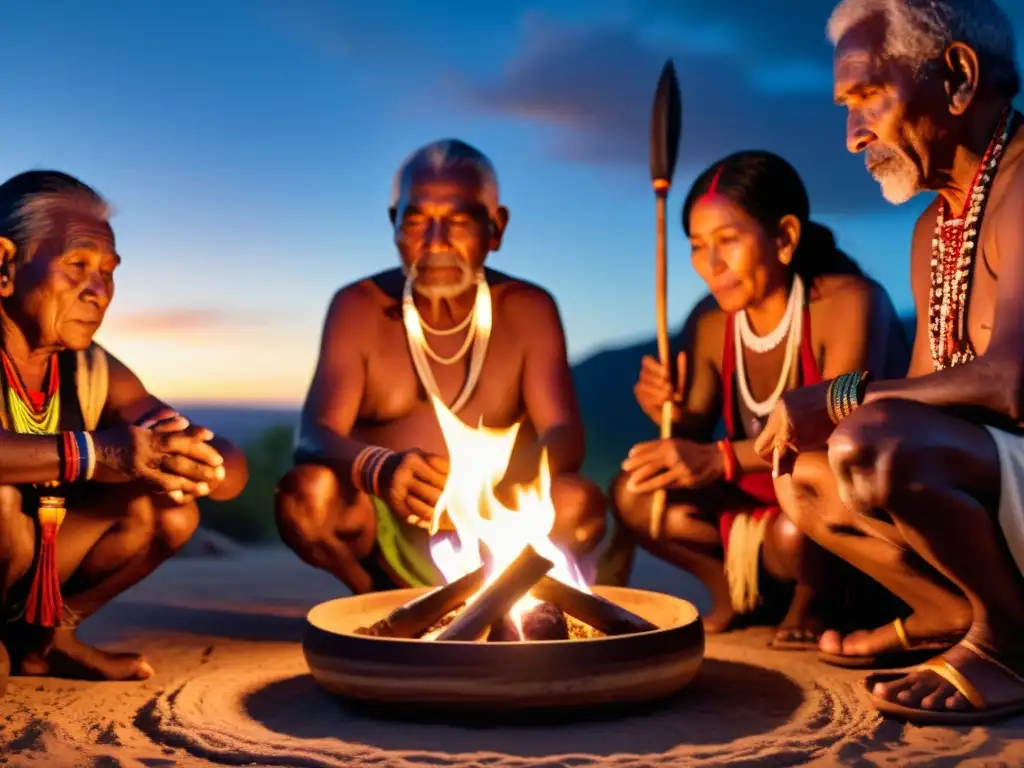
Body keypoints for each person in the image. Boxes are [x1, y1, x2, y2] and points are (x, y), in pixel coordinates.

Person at [755, 0, 1024, 724]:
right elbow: (928, 394)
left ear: (959, 76)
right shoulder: (935, 229)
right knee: (806, 478)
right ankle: (953, 612)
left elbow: (1011, 383)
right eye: (847, 107)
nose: (851, 136)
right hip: (1006, 488)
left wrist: (839, 398)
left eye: (870, 95)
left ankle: (1013, 644)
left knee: (869, 441)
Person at [275, 138, 606, 594]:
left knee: (578, 503)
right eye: (416, 223)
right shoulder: (358, 307)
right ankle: (374, 604)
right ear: (393, 223)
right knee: (307, 496)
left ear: (496, 227)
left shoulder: (529, 309)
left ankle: (506, 598)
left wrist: (479, 492)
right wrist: (382, 469)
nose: (435, 244)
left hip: (499, 517)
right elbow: (313, 436)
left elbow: (565, 436)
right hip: (384, 523)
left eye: (458, 222)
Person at [611, 150, 909, 647]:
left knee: (801, 519)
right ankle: (729, 593)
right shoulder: (710, 321)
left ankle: (817, 599)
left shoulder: (850, 304)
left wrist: (718, 458)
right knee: (637, 491)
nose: (710, 264)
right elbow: (690, 438)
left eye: (728, 240)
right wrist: (667, 411)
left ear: (785, 236)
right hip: (751, 507)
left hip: (831, 504)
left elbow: (840, 434)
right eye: (697, 245)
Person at [0, 171, 249, 695]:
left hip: (35, 561)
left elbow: (223, 467)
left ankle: (46, 640)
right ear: (4, 265)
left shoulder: (93, 369)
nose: (99, 291)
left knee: (167, 509)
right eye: (77, 266)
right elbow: (104, 453)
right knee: (3, 510)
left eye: (108, 272)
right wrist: (96, 454)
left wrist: (197, 461)